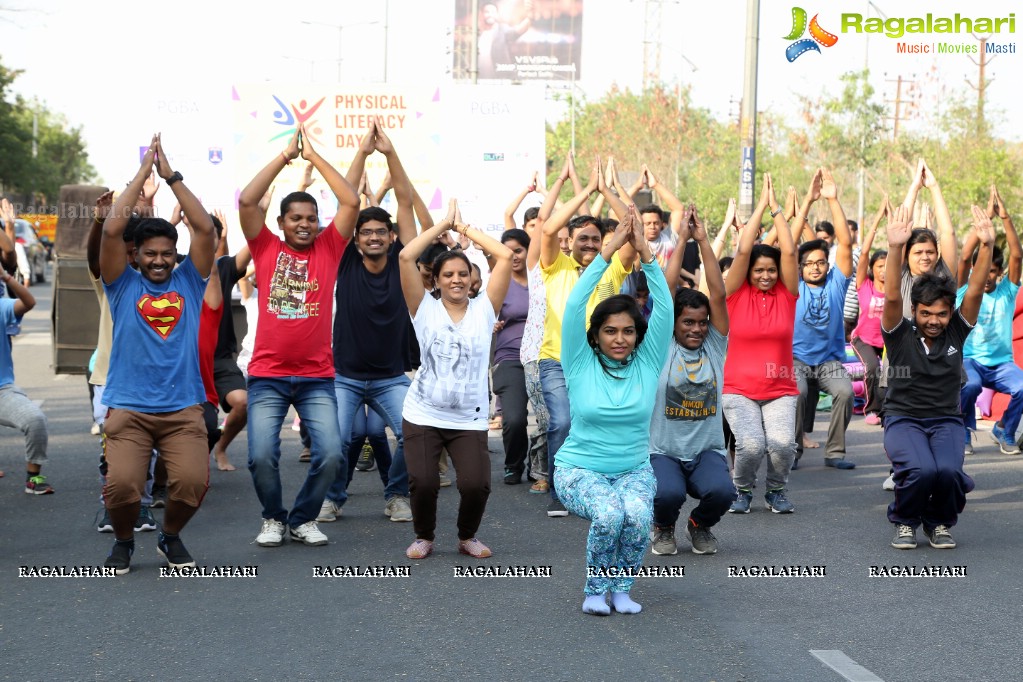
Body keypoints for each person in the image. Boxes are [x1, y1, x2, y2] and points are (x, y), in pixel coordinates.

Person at [238, 125, 359, 548]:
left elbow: (351, 201)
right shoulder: (265, 248)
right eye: (296, 218)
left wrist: (315, 158)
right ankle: (273, 517)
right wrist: (287, 157)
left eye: (311, 218)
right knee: (260, 456)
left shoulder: (329, 249)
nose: (305, 224)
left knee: (330, 454)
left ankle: (302, 518)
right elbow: (247, 200)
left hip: (316, 377)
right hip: (268, 375)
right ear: (281, 223)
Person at [99, 135, 215, 574]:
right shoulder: (121, 283)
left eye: (167, 253)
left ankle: (170, 535)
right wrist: (143, 174)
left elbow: (204, 229)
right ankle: (125, 541)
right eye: (151, 254)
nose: (160, 260)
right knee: (124, 486)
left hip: (183, 408)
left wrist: (172, 177)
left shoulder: (189, 281)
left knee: (191, 484)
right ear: (138, 256)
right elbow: (112, 228)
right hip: (129, 408)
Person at [555, 206, 671, 615]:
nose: (619, 338)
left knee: (637, 514)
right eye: (610, 331)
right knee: (608, 513)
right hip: (578, 470)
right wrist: (609, 251)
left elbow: (666, 311)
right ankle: (594, 591)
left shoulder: (647, 361)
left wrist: (648, 256)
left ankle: (621, 590)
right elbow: (574, 306)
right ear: (596, 335)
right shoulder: (580, 361)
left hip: (633, 470)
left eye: (627, 330)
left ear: (638, 335)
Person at [398, 200, 512, 560]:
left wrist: (464, 232)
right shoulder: (423, 308)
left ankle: (467, 536)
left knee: (475, 484)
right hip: (423, 413)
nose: (456, 280)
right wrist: (441, 224)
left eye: (463, 274)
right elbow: (404, 258)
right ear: (436, 279)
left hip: (469, 417)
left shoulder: (484, 309)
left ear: (472, 279)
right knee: (425, 482)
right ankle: (424, 536)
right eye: (448, 275)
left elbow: (506, 257)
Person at [318, 122, 418, 525]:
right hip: (344, 374)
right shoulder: (342, 260)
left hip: (392, 376)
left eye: (381, 231)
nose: (374, 237)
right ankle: (333, 497)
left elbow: (407, 202)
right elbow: (346, 199)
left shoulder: (404, 259)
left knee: (415, 434)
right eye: (366, 232)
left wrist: (391, 154)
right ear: (356, 238)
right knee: (336, 442)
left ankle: (395, 495)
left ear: (392, 237)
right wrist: (361, 152)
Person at [882, 205, 989, 550]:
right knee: (922, 471)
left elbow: (973, 292)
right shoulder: (899, 335)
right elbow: (891, 294)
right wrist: (896, 247)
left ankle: (938, 521)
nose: (933, 320)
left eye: (941, 314)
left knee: (948, 473)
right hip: (903, 420)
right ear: (915, 311)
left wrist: (985, 246)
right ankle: (905, 522)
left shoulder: (955, 333)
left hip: (946, 420)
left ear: (949, 314)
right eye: (926, 313)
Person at [539, 158, 634, 517]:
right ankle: (558, 488)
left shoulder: (613, 268)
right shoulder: (556, 266)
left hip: (601, 362)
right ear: (571, 243)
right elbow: (548, 231)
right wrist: (584, 192)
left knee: (594, 422)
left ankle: (598, 482)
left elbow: (631, 226)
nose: (591, 243)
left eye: (596, 238)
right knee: (562, 422)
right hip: (557, 361)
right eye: (583, 238)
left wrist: (605, 190)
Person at [648, 205, 734, 556]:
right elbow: (664, 293)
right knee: (666, 493)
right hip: (663, 451)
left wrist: (704, 241)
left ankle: (699, 524)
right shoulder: (661, 346)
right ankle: (664, 525)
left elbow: (717, 294)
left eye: (701, 323)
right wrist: (682, 238)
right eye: (688, 322)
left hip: (705, 451)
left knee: (724, 492)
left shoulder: (714, 346)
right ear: (673, 324)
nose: (697, 329)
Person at [722, 173, 800, 514]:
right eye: (759, 270)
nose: (766, 275)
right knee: (751, 446)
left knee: (782, 445)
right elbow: (742, 250)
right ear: (749, 272)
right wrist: (759, 208)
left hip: (780, 386)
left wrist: (777, 210)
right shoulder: (734, 295)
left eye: (771, 269)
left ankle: (776, 490)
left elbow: (791, 250)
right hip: (737, 387)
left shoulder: (788, 294)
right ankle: (742, 490)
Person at [791, 168, 856, 470]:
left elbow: (845, 244)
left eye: (820, 262)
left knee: (844, 392)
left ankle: (835, 453)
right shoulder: (795, 286)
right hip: (797, 360)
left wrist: (832, 200)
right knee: (799, 392)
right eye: (809, 263)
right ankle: (792, 452)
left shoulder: (836, 283)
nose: (815, 267)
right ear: (801, 267)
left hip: (829, 362)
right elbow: (789, 248)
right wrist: (807, 201)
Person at [956, 185, 1023, 455]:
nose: (987, 277)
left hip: (1001, 364)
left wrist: (1004, 218)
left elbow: (1017, 255)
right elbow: (963, 257)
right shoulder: (965, 289)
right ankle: (963, 434)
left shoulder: (1007, 291)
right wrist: (985, 221)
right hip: (969, 360)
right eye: (983, 271)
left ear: (999, 273)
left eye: (993, 272)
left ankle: (1004, 430)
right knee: (969, 385)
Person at [0, 248, 51, 493]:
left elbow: (29, 302)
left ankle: (33, 478)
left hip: (2, 390)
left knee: (36, 419)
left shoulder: (1, 307)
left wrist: (6, 278)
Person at [490, 228, 531, 484]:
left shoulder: (542, 279)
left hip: (543, 357)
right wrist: (490, 323)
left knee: (555, 420)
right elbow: (483, 314)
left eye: (518, 250)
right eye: (507, 252)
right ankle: (513, 464)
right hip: (509, 358)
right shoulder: (499, 282)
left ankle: (543, 468)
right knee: (515, 419)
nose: (514, 256)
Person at [850, 199, 890, 425]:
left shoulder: (896, 287)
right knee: (873, 368)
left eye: (888, 266)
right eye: (879, 266)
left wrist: (892, 220)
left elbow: (902, 251)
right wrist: (877, 220)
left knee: (892, 372)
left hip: (887, 340)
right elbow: (864, 252)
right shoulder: (864, 284)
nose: (884, 270)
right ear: (873, 269)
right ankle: (872, 410)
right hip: (863, 338)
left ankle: (890, 411)